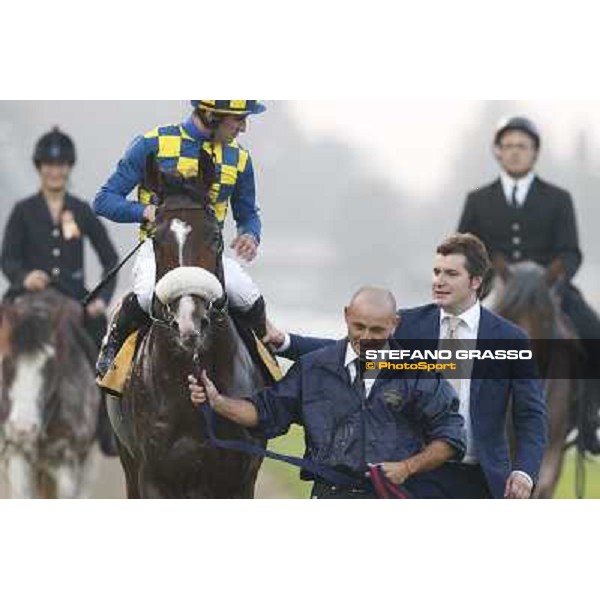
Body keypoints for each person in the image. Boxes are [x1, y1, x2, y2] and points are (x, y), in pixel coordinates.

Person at [265, 235, 548, 499]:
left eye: (451, 274)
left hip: (483, 480)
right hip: (416, 475)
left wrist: (523, 471)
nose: (439, 281)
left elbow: (531, 415)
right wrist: (286, 342)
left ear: (476, 281)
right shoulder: (409, 325)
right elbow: (344, 351)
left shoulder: (510, 339)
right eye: (437, 272)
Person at [189, 286, 466, 499]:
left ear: (395, 324)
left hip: (394, 496)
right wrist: (218, 402)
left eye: (377, 329)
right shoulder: (312, 368)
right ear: (346, 315)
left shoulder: (420, 373)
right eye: (359, 327)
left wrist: (407, 468)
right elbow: (266, 411)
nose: (366, 337)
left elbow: (451, 436)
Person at [94, 100, 268, 378]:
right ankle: (110, 353)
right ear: (211, 115)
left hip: (208, 254)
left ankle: (265, 364)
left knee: (249, 297)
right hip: (159, 249)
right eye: (238, 119)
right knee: (144, 295)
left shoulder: (241, 158)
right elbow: (103, 200)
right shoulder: (152, 143)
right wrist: (145, 211)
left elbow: (247, 213)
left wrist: (250, 234)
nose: (244, 127)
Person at [0, 126, 120, 455]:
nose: (56, 170)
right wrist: (24, 277)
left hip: (72, 301)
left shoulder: (81, 210)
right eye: (49, 165)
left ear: (69, 168)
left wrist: (100, 300)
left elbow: (110, 259)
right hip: (25, 299)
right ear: (40, 168)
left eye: (62, 164)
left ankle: (105, 428)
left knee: (106, 350)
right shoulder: (23, 211)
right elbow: (7, 257)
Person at [458, 116, 600, 343]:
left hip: (548, 289)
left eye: (522, 146)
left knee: (593, 331)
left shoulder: (559, 198)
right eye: (508, 146)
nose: (515, 152)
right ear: (498, 152)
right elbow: (462, 252)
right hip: (492, 288)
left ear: (535, 152)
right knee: (449, 337)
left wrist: (552, 282)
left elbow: (570, 252)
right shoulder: (477, 200)